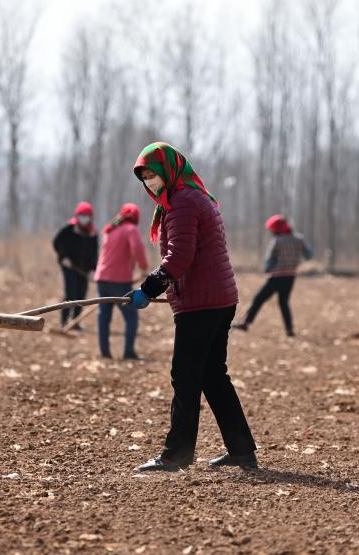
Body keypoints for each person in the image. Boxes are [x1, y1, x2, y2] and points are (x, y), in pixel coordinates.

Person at [124, 142, 257, 472]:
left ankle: (175, 455)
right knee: (213, 376)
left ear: (169, 170)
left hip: (202, 303)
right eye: (144, 178)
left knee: (185, 377)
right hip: (217, 299)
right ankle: (242, 451)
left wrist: (150, 286)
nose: (149, 183)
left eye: (152, 174)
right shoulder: (191, 196)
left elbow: (180, 256)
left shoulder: (183, 201)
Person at [232, 215, 313, 337]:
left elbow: (270, 260)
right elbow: (309, 255)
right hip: (290, 276)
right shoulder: (299, 239)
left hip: (276, 276)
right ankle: (289, 330)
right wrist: (296, 261)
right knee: (283, 302)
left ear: (277, 229)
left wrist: (267, 269)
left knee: (258, 299)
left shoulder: (277, 241)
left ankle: (245, 323)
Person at [93, 203, 149, 360]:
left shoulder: (110, 229)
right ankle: (128, 352)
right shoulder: (131, 229)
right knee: (131, 316)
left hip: (102, 279)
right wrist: (144, 268)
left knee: (104, 317)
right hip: (119, 281)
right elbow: (137, 248)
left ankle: (105, 352)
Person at [52, 202, 99, 330]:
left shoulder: (93, 233)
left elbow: (95, 253)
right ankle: (64, 321)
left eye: (86, 216)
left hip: (84, 269)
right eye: (81, 215)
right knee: (70, 293)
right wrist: (63, 257)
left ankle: (75, 322)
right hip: (69, 266)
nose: (84, 218)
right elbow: (56, 242)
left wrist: (92, 270)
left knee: (81, 295)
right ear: (77, 216)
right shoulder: (68, 228)